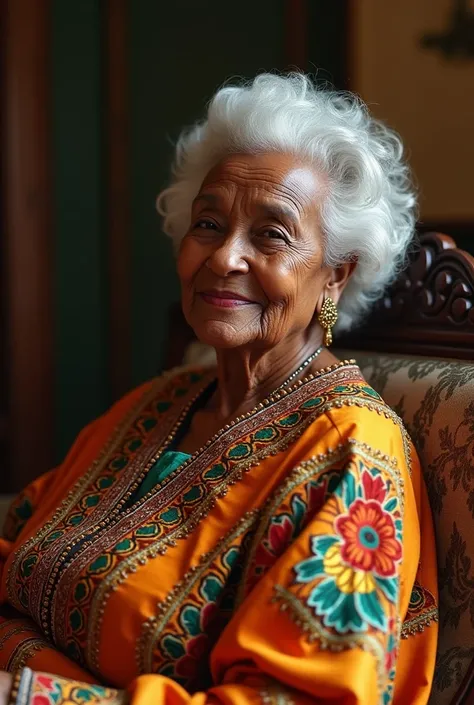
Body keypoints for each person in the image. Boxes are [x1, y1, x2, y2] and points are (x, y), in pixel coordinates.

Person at [0, 73, 437, 705]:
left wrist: (29, 696)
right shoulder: (157, 404)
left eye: (271, 234)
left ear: (335, 276)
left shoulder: (352, 451)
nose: (225, 256)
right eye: (208, 223)